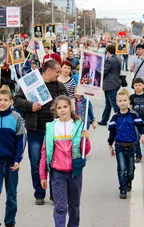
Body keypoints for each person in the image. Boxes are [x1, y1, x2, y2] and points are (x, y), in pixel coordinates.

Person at [14, 60, 68, 205]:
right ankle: (39, 193)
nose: (59, 74)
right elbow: (16, 100)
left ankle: (54, 193)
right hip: (35, 130)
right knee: (36, 162)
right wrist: (30, 106)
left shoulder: (59, 86)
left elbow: (67, 104)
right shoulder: (32, 81)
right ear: (48, 70)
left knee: (55, 163)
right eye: (57, 71)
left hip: (54, 131)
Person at [40, 95, 90, 227]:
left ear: (71, 107)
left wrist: (86, 139)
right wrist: (43, 175)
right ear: (55, 110)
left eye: (65, 107)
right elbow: (45, 152)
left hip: (75, 172)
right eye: (59, 107)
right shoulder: (51, 127)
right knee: (60, 207)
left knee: (74, 206)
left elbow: (85, 150)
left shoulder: (78, 125)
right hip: (58, 173)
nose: (62, 110)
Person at [0, 85, 26, 227]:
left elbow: (21, 141)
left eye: (5, 100)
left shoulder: (16, 118)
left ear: (11, 101)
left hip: (11, 162)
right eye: (0, 100)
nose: (2, 102)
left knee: (11, 195)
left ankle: (10, 222)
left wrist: (17, 159)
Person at [108, 89, 144, 199]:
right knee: (122, 168)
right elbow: (112, 132)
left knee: (130, 170)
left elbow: (140, 126)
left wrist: (143, 135)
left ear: (129, 101)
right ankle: (123, 188)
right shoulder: (115, 118)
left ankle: (129, 180)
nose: (123, 102)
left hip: (131, 146)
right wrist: (110, 145)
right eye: (120, 101)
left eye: (125, 100)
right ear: (117, 102)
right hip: (119, 145)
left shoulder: (133, 115)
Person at [97, 45, 121, 126]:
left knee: (113, 103)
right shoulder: (117, 58)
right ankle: (104, 120)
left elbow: (104, 72)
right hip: (115, 83)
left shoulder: (110, 60)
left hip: (110, 84)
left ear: (108, 51)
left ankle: (122, 118)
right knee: (108, 103)